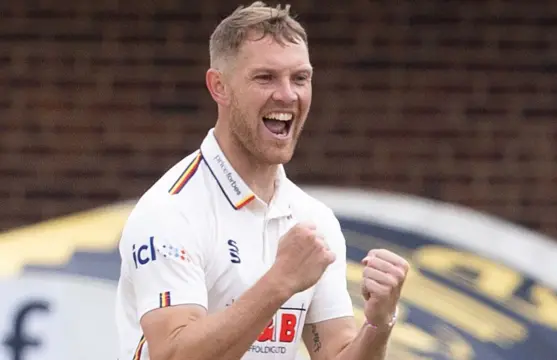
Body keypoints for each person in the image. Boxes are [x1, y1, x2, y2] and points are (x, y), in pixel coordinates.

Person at [114, 2, 410, 359]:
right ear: (218, 86)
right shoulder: (170, 210)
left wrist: (378, 324)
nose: (287, 95)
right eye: (265, 77)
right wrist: (280, 281)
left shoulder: (313, 220)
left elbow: (336, 352)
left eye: (300, 78)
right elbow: (174, 354)